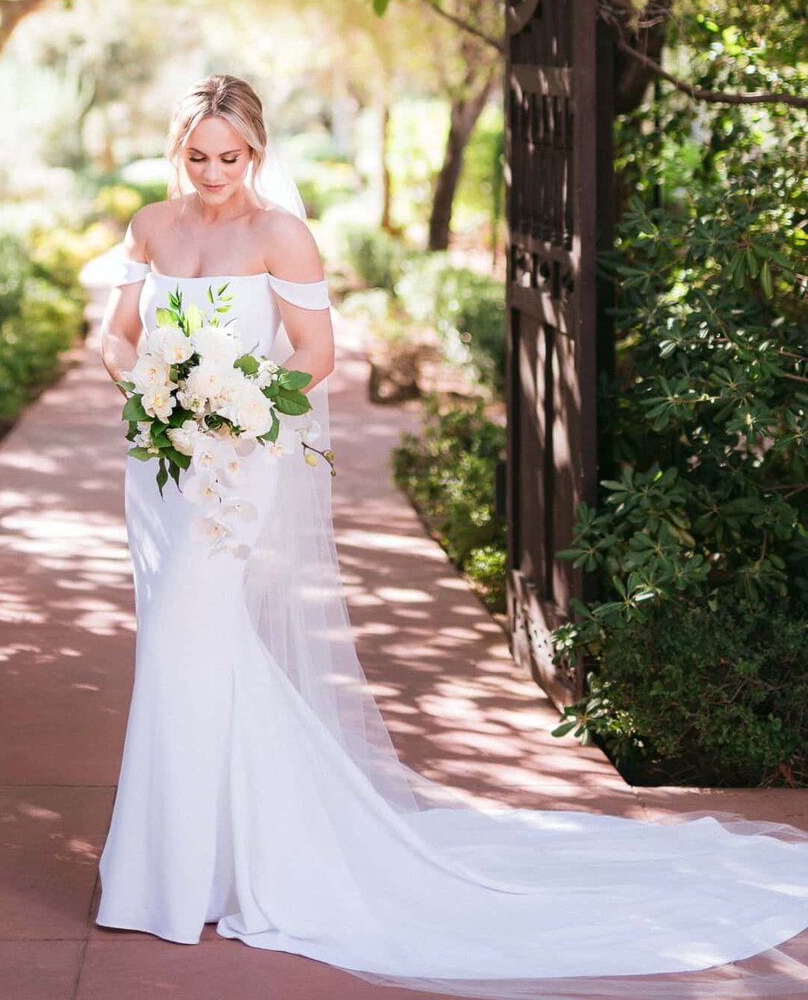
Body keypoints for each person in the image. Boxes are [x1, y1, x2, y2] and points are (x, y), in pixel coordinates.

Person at [94, 73, 808, 997]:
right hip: (158, 463)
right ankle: (205, 857)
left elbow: (315, 357)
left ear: (257, 151)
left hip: (238, 464)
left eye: (231, 156)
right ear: (176, 149)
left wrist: (236, 417)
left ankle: (181, 871)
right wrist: (149, 386)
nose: (214, 171)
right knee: (181, 651)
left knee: (194, 639)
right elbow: (114, 335)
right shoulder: (152, 225)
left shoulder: (280, 233)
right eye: (198, 155)